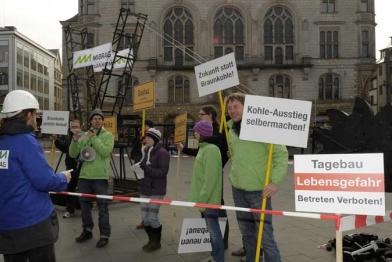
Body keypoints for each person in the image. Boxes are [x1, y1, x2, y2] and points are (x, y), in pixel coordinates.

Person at [0, 90, 71, 262]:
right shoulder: (25, 140)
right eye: (35, 115)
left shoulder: (3, 141)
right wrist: (63, 178)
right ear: (28, 115)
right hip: (32, 224)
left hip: (7, 224)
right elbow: (45, 181)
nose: (36, 119)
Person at [226, 93, 288, 262]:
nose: (232, 111)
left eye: (236, 106)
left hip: (258, 192)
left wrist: (274, 182)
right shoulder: (231, 129)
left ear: (247, 108)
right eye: (229, 108)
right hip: (238, 189)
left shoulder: (263, 128)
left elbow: (281, 155)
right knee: (246, 233)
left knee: (266, 236)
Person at [178, 105, 230, 249]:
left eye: (202, 114)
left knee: (217, 208)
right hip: (204, 174)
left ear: (211, 116)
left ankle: (221, 240)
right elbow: (200, 150)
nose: (199, 116)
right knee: (206, 212)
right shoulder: (202, 132)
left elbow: (223, 152)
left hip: (214, 175)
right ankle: (212, 239)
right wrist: (185, 149)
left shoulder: (219, 132)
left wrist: (218, 168)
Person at [69, 108, 114, 248]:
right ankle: (87, 230)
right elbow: (73, 153)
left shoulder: (108, 135)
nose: (97, 120)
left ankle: (104, 235)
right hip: (84, 176)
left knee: (103, 207)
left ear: (102, 121)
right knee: (84, 206)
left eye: (100, 118)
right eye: (94, 118)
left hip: (100, 177)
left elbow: (105, 152)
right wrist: (75, 141)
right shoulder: (84, 135)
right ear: (90, 121)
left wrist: (94, 138)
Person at [189, 121, 224, 262]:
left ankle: (218, 258)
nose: (194, 134)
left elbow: (210, 179)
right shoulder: (204, 148)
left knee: (214, 231)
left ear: (202, 133)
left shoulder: (211, 150)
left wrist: (202, 199)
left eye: (196, 131)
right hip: (205, 198)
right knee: (211, 231)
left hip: (209, 199)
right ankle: (215, 256)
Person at [136, 128, 170, 252]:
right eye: (146, 137)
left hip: (156, 190)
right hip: (144, 188)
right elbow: (144, 168)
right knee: (145, 218)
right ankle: (151, 240)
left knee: (152, 218)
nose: (146, 139)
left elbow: (162, 172)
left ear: (155, 139)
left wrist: (145, 168)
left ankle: (156, 242)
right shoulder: (145, 150)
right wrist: (138, 169)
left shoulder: (163, 153)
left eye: (149, 138)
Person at [132, 120, 154, 230]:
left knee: (150, 198)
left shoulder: (154, 140)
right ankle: (144, 220)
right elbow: (134, 152)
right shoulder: (140, 138)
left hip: (150, 174)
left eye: (144, 126)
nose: (142, 128)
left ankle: (150, 220)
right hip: (141, 172)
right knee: (143, 198)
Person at [54, 130, 80, 218]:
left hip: (83, 168)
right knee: (70, 189)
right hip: (70, 167)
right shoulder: (69, 137)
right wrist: (56, 140)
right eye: (72, 126)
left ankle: (85, 211)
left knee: (85, 190)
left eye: (76, 126)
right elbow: (65, 148)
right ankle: (70, 210)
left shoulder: (85, 136)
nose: (74, 128)